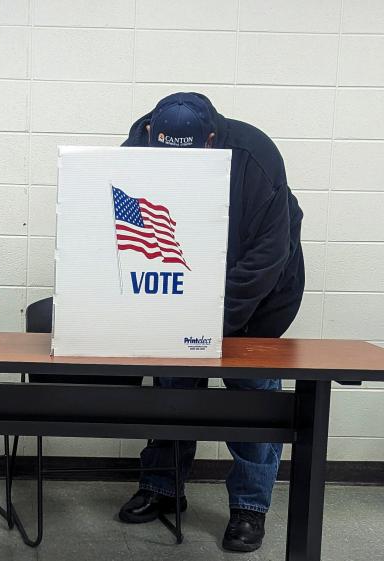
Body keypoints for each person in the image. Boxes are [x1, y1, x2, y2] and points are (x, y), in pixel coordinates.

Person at [116, 92, 305, 553]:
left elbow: (266, 258)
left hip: (259, 299)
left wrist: (212, 326)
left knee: (253, 402)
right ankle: (162, 487)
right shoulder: (134, 152)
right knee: (173, 391)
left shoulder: (255, 158)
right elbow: (117, 231)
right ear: (150, 136)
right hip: (184, 290)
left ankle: (248, 507)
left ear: (211, 141)